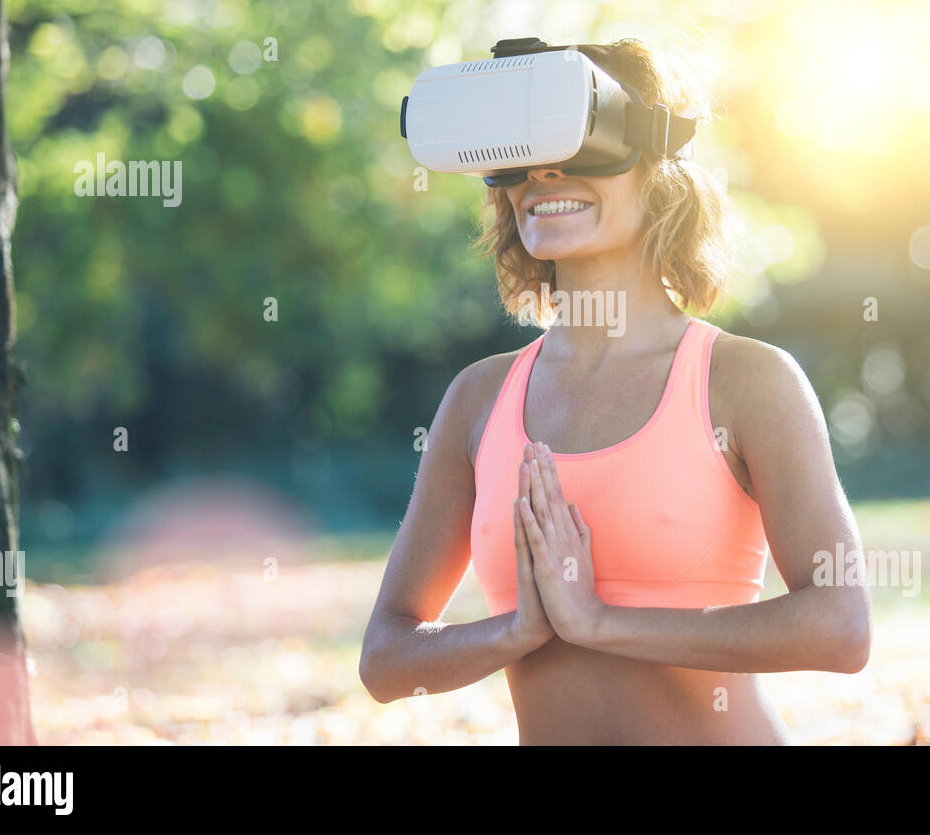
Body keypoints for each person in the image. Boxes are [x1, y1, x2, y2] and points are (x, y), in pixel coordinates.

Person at [359, 38, 871, 744]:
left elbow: (840, 627)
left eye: (580, 140)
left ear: (658, 168)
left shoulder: (746, 381)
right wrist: (517, 631)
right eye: (523, 150)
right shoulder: (479, 399)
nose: (544, 171)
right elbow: (386, 661)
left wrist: (598, 623)